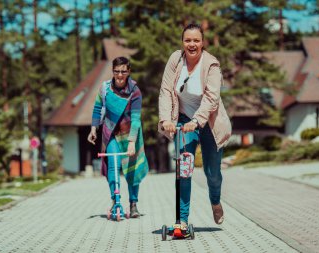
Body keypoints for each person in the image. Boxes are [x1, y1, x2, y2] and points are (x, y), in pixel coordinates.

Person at [158, 24, 232, 227]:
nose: (192, 44)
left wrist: (196, 121)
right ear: (183, 42)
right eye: (188, 40)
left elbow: (211, 99)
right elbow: (166, 90)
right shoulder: (175, 59)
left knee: (212, 173)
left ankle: (215, 202)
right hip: (183, 120)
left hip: (208, 123)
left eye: (196, 40)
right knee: (184, 169)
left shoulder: (211, 65)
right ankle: (182, 220)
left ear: (203, 42)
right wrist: (166, 119)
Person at [88, 56, 149, 218]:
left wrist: (131, 143)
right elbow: (97, 108)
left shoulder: (135, 91)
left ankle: (133, 204)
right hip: (111, 132)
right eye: (116, 71)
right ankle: (116, 200)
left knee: (132, 169)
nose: (120, 75)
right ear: (112, 71)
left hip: (130, 133)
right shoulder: (105, 88)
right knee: (113, 166)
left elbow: (136, 119)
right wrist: (93, 129)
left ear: (129, 71)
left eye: (123, 71)